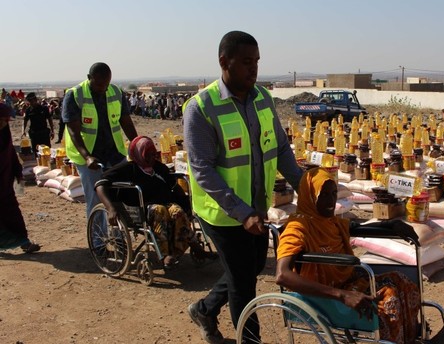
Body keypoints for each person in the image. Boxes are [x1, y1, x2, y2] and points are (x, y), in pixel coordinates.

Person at [184, 30, 303, 344]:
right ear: (225, 62)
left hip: (256, 207)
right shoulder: (201, 108)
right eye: (246, 62)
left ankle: (205, 309)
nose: (254, 69)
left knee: (248, 268)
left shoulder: (261, 98)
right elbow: (202, 170)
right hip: (223, 214)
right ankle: (249, 340)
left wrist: (305, 186)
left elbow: (279, 148)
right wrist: (240, 212)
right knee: (243, 283)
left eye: (257, 62)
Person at [276, 167, 420, 344]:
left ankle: (409, 337)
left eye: (334, 193)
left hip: (347, 282)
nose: (331, 200)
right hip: (326, 294)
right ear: (311, 196)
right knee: (389, 296)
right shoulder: (297, 228)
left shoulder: (330, 221)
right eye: (324, 195)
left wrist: (391, 225)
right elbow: (282, 275)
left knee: (401, 281)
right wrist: (342, 295)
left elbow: (354, 227)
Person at [95, 136, 214, 267]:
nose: (152, 158)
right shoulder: (128, 169)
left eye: (154, 154)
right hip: (140, 208)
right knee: (159, 210)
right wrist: (110, 208)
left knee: (177, 211)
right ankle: (163, 254)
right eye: (148, 154)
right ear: (139, 154)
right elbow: (100, 184)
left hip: (165, 202)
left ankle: (195, 248)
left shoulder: (159, 168)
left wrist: (186, 206)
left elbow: (175, 186)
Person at [61, 62, 138, 219]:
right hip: (89, 156)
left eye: (106, 83)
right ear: (89, 78)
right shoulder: (75, 95)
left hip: (114, 152)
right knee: (97, 199)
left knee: (120, 196)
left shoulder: (116, 92)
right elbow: (73, 131)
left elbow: (126, 122)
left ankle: (119, 239)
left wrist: (138, 144)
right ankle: (98, 242)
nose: (103, 88)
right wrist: (87, 156)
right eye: (99, 84)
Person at [0, 103, 41, 253]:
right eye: (1, 120)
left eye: (5, 121)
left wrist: (18, 173)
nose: (4, 124)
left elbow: (10, 154)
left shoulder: (4, 134)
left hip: (4, 183)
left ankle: (24, 242)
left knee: (12, 213)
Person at [22, 92, 54, 157]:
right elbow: (25, 121)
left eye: (32, 100)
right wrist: (23, 131)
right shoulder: (28, 110)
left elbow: (50, 120)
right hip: (34, 133)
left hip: (44, 132)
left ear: (35, 100)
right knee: (36, 151)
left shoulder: (44, 108)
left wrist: (52, 131)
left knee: (46, 150)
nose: (31, 102)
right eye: (29, 101)